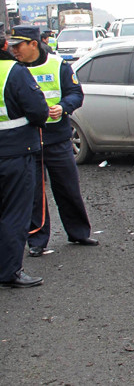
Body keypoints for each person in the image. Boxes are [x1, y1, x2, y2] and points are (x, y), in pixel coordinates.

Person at [7, 25, 98, 256]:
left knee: (68, 187)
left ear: (33, 44)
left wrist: (63, 107)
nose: (14, 50)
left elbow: (76, 94)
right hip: (28, 141)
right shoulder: (14, 69)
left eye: (18, 46)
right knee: (35, 193)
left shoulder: (59, 65)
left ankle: (78, 233)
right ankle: (37, 240)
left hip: (56, 138)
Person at [0, 31, 49, 288]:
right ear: (5, 45)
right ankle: (9, 272)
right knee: (15, 213)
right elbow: (38, 111)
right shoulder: (14, 72)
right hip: (14, 152)